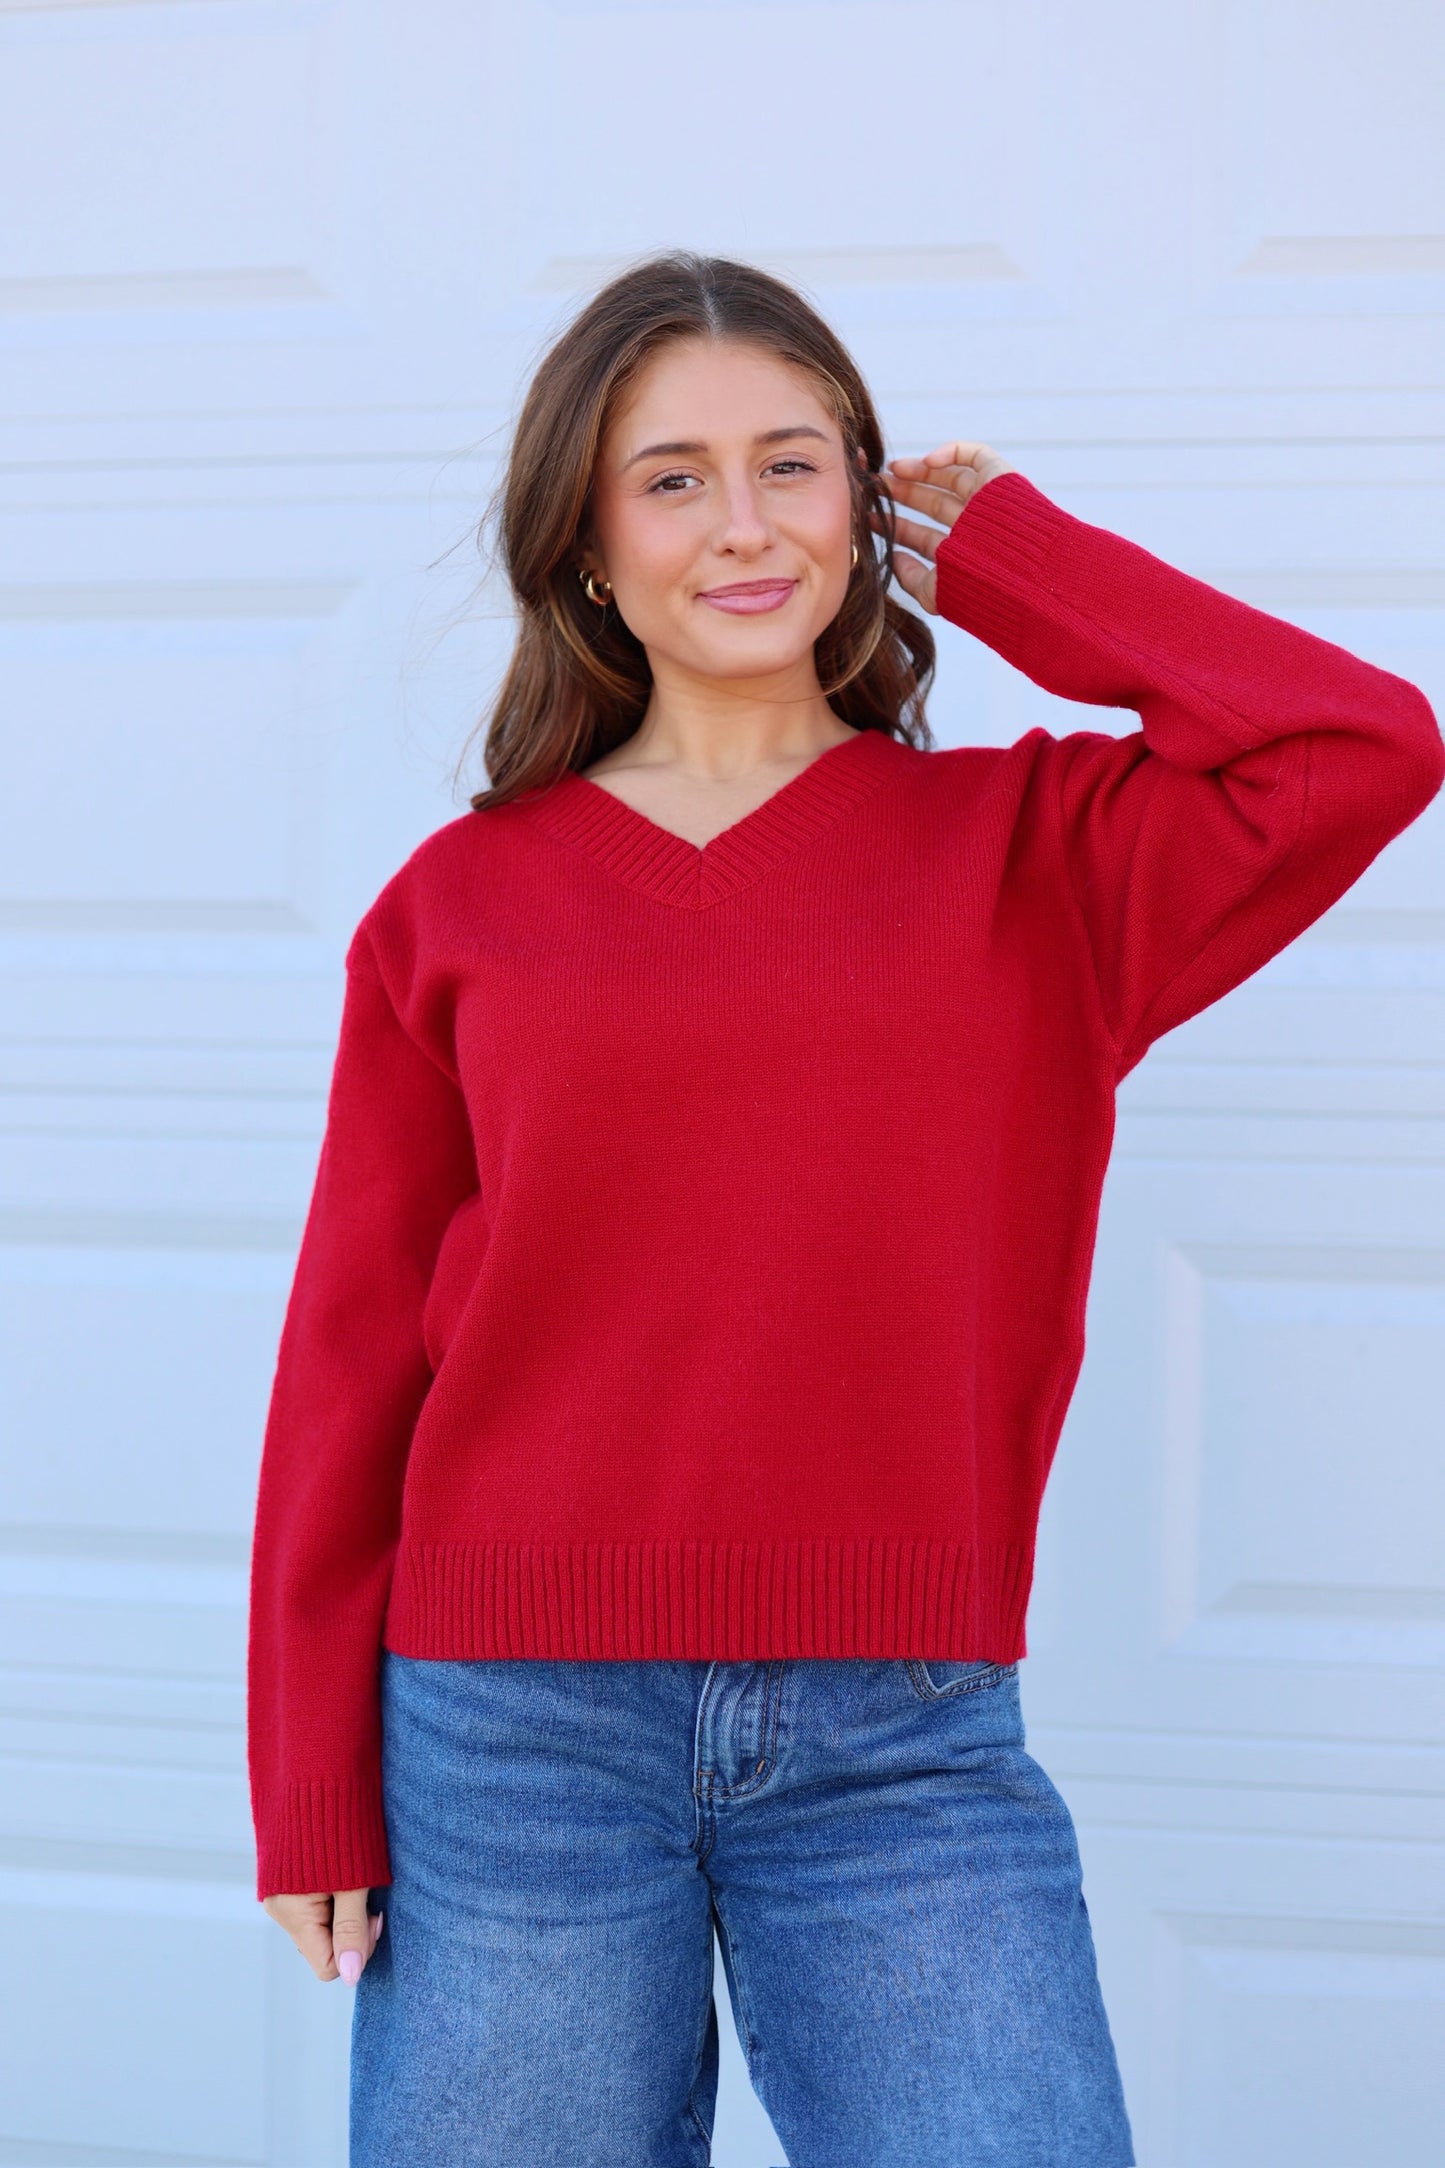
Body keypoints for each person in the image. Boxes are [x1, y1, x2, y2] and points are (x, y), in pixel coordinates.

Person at [246, 252, 1444, 2167]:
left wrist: (1025, 564)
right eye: (672, 477)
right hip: (508, 1745)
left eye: (792, 465)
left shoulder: (1039, 855)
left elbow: (1359, 747)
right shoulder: (455, 909)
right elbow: (351, 1353)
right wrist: (310, 1774)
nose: (741, 524)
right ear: (581, 545)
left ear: (865, 503)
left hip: (902, 1747)